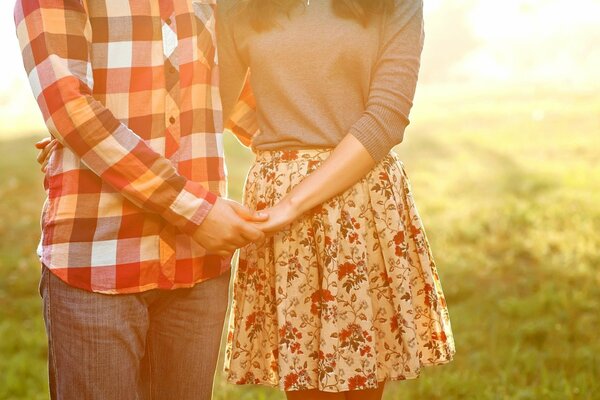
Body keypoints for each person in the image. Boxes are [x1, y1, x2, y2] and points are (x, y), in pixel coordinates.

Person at [14, 0, 267, 399]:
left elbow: (243, 101)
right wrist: (196, 212)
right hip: (98, 259)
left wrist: (338, 155)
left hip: (196, 268)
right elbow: (70, 109)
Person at [217, 0, 456, 399]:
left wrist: (293, 200)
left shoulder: (393, 4)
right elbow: (211, 107)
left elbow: (386, 116)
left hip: (360, 204)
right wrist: (283, 146)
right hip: (281, 209)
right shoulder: (238, 7)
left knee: (360, 384)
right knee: (304, 387)